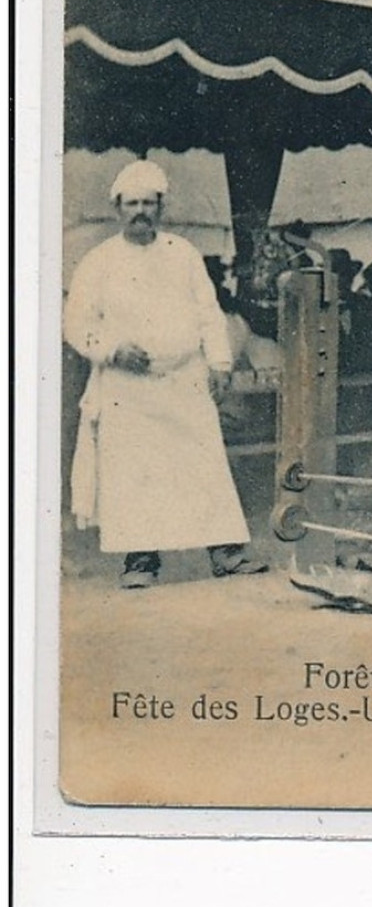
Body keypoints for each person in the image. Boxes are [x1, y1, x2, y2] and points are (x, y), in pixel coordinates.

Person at [64, 160, 268, 589]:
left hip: (185, 379)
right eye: (132, 203)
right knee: (135, 472)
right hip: (128, 386)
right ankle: (141, 562)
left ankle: (226, 554)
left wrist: (220, 363)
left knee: (203, 463)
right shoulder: (98, 261)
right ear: (118, 209)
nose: (141, 211)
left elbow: (208, 313)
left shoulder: (183, 253)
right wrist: (113, 350)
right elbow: (76, 322)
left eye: (149, 203)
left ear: (162, 208)